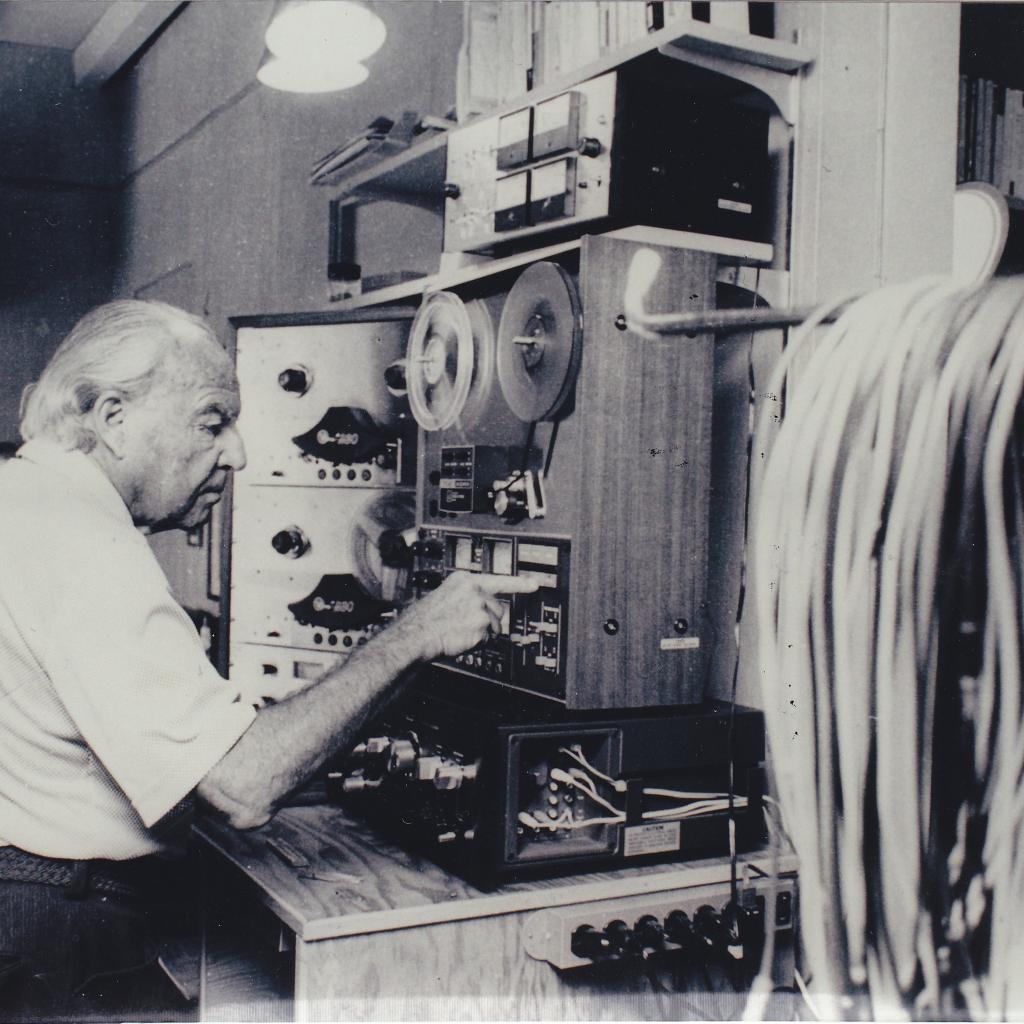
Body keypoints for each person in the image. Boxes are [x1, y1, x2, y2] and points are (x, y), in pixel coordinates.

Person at [0, 299, 537, 1020]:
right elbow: (244, 784)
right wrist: (418, 633)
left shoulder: (25, 497)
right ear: (111, 415)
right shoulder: (84, 545)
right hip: (66, 921)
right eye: (213, 420)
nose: (239, 453)